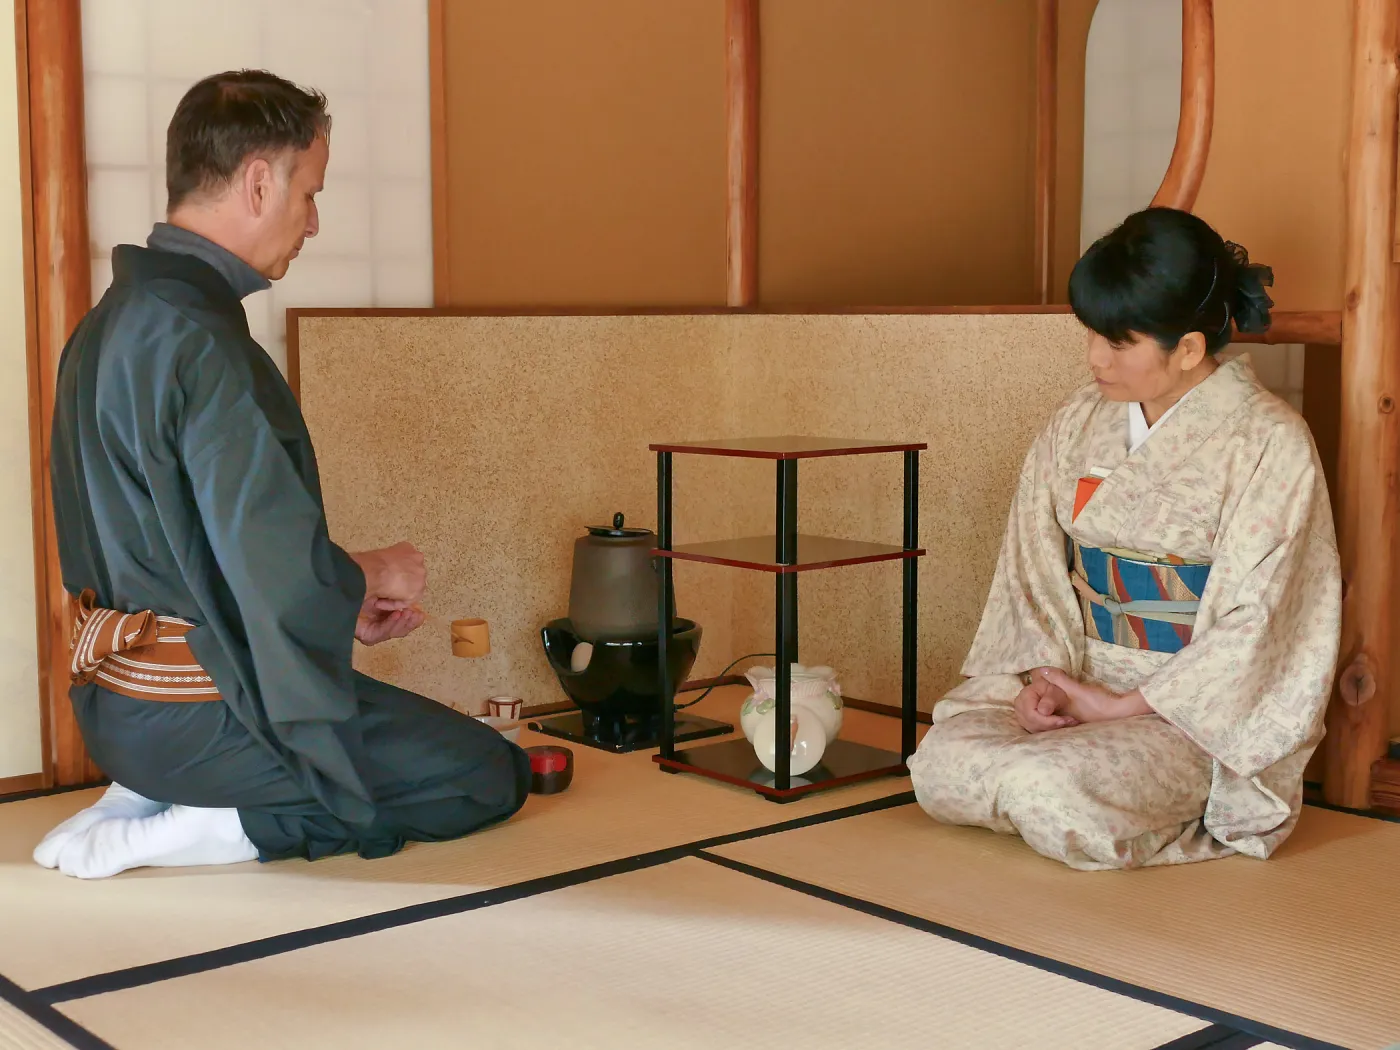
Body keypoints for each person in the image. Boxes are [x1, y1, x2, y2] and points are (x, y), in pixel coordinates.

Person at [32, 70, 530, 880]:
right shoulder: (203, 343)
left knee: (404, 744)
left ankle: (141, 795)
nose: (314, 221)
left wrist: (342, 600)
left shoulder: (107, 324)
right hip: (204, 717)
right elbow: (274, 572)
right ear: (260, 182)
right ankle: (215, 828)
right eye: (309, 192)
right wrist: (369, 573)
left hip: (116, 710)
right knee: (481, 774)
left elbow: (202, 555)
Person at [907, 207, 1342, 870]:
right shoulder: (1078, 421)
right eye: (1092, 336)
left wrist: (1122, 708)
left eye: (1119, 342)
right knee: (939, 763)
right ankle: (1080, 768)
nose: (1094, 359)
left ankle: (1153, 798)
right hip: (1078, 671)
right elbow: (1032, 568)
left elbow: (1266, 619)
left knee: (1045, 786)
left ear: (1189, 349)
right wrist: (1043, 682)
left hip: (1188, 712)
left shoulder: (1269, 442)